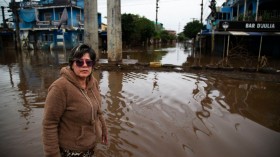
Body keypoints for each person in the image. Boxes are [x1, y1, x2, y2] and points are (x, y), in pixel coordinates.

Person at [42, 44, 108, 157]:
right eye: (79, 62)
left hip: (90, 145)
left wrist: (104, 129)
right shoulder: (60, 88)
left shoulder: (93, 82)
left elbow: (97, 110)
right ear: (72, 64)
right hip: (70, 150)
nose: (85, 66)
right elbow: (49, 125)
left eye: (89, 62)